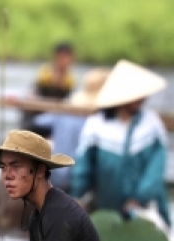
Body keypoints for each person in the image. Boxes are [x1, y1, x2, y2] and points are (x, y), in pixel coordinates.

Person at [71, 59, 169, 226]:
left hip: (145, 207)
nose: (142, 98)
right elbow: (84, 167)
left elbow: (155, 169)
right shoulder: (96, 125)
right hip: (106, 206)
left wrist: (139, 198)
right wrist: (79, 195)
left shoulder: (151, 125)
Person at [33, 68, 110, 192]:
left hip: (55, 174)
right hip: (75, 179)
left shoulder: (64, 112)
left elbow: (38, 122)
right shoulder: (97, 121)